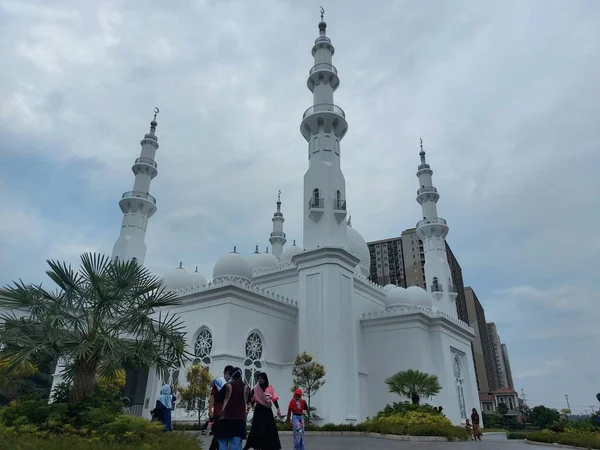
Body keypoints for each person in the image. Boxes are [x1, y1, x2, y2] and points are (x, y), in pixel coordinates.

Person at [244, 372, 282, 450]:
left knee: (269, 429)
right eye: (259, 378)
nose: (260, 380)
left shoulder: (270, 388)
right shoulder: (255, 388)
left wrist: (278, 409)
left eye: (261, 378)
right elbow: (251, 399)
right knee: (258, 429)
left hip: (267, 411)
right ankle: (256, 446)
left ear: (265, 378)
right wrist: (249, 408)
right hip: (259, 410)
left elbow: (274, 399)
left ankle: (268, 447)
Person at [216, 367, 250, 450]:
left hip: (226, 418)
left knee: (222, 441)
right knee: (236, 442)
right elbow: (249, 401)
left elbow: (219, 398)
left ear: (232, 376)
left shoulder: (227, 386)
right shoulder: (247, 387)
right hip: (240, 419)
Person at [209, 365, 234, 450]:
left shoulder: (231, 384)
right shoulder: (218, 382)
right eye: (228, 373)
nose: (229, 376)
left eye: (230, 374)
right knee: (218, 434)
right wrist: (210, 411)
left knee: (222, 435)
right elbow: (212, 397)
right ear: (224, 373)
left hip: (228, 413)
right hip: (219, 412)